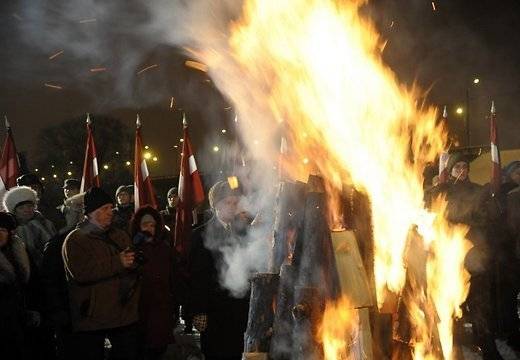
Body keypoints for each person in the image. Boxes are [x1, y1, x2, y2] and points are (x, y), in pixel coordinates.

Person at [428, 153, 503, 360]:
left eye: (464, 166)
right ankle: (453, 347)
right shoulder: (442, 193)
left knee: (480, 304)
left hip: (474, 255)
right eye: (456, 167)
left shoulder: (478, 192)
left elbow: (490, 218)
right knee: (450, 303)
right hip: (449, 257)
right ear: (449, 171)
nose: (461, 170)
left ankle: (488, 347)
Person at [62, 187, 141, 360]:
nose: (110, 212)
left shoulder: (119, 235)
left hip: (123, 313)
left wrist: (134, 262)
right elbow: (80, 272)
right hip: (93, 318)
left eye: (110, 208)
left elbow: (130, 263)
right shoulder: (75, 239)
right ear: (90, 213)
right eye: (104, 209)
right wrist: (118, 262)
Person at [187, 181, 250, 360]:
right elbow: (197, 276)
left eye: (234, 203)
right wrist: (199, 310)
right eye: (226, 203)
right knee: (218, 352)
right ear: (215, 206)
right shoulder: (201, 235)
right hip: (215, 311)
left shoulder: (243, 232)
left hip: (239, 309)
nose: (231, 207)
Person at [42, 192, 85, 359]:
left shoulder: (96, 239)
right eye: (77, 210)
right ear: (67, 213)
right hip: (67, 312)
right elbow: (49, 280)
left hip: (92, 312)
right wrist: (58, 311)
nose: (81, 214)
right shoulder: (56, 243)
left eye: (84, 209)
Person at [130, 206, 176, 359]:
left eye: (152, 225)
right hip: (140, 312)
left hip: (162, 309)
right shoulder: (131, 249)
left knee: (158, 350)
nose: (149, 228)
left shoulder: (165, 248)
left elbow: (174, 277)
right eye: (145, 225)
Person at [0, 212, 31, 360]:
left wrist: (33, 309)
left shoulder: (19, 252)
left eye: (3, 230)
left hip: (20, 318)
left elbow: (31, 283)